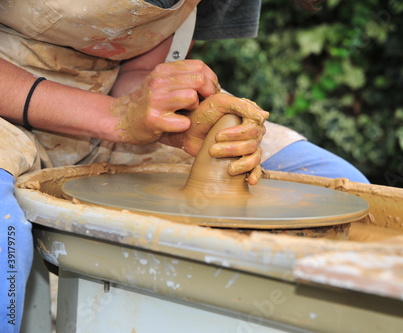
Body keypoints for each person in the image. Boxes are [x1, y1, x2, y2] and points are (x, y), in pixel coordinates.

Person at [0, 0, 368, 331]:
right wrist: (114, 115)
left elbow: (140, 65)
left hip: (110, 114)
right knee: (3, 231)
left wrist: (171, 115)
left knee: (338, 195)